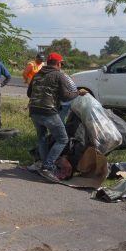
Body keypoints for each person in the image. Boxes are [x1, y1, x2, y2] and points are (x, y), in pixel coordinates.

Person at [27, 52, 87, 181]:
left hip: (34, 111)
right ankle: (47, 167)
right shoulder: (59, 75)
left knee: (42, 137)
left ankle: (43, 164)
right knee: (62, 139)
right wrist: (78, 93)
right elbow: (66, 96)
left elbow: (29, 93)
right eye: (61, 64)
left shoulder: (37, 74)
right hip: (47, 112)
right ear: (59, 64)